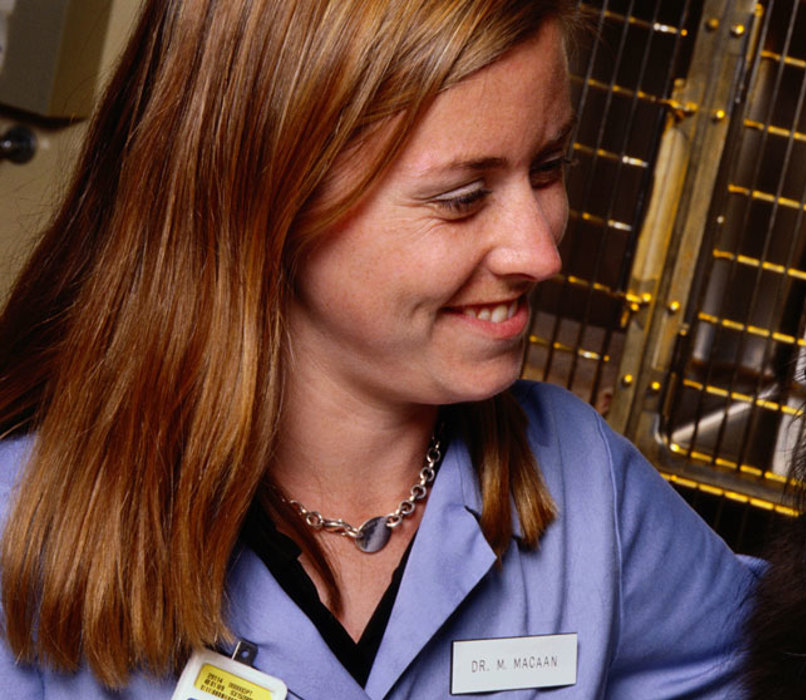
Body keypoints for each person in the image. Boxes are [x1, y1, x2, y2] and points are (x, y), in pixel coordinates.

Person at [0, 0, 757, 697]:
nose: (540, 252)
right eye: (462, 198)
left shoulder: (583, 482)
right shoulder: (22, 524)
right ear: (269, 196)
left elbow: (793, 664)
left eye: (549, 169)